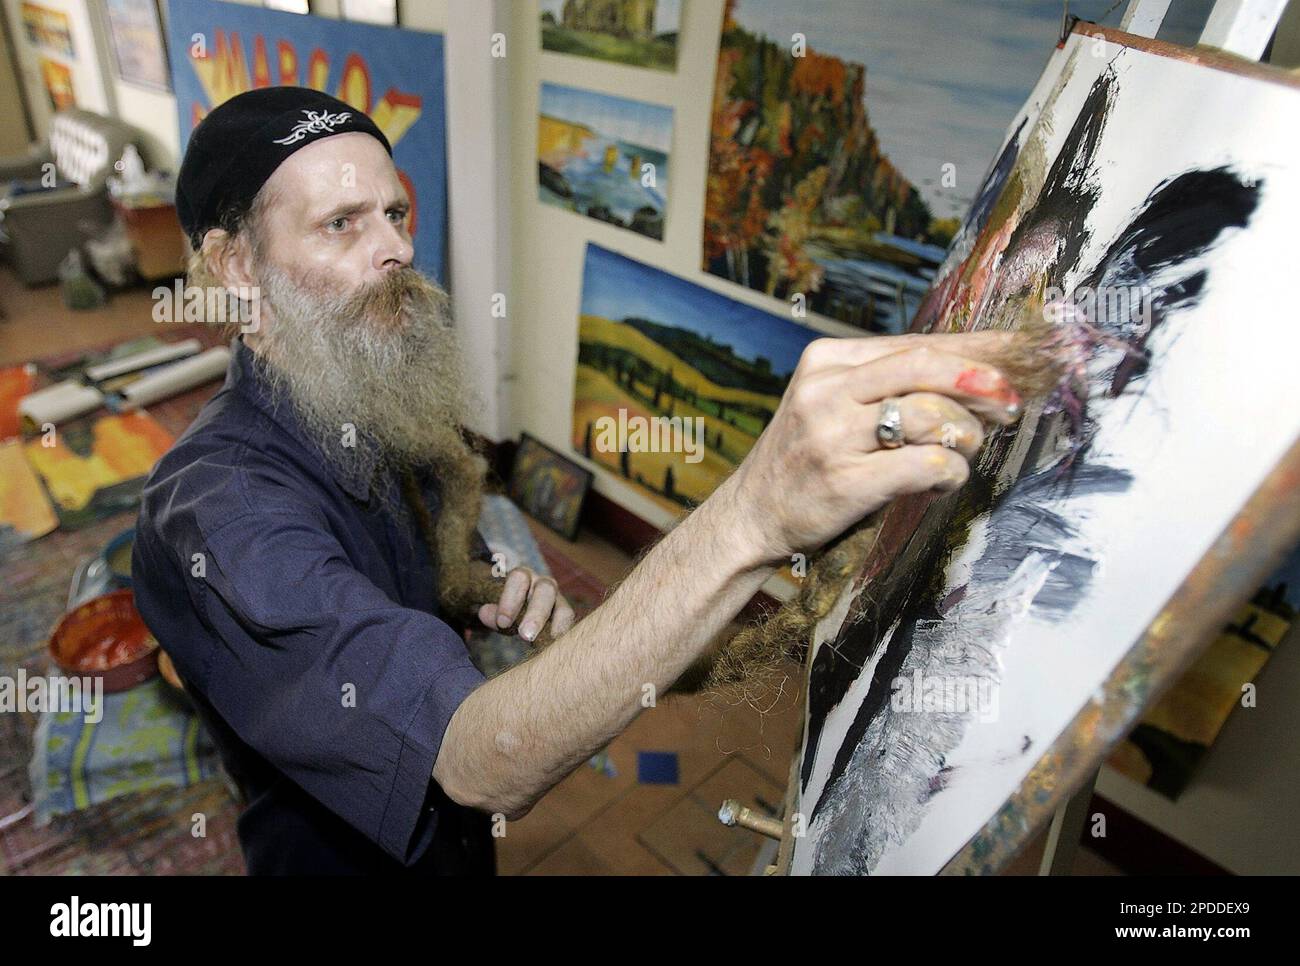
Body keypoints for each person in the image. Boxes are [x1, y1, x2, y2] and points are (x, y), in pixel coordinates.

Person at [132, 87, 1023, 875]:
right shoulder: (223, 511)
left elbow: (425, 542)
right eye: (342, 224)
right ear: (238, 268)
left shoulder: (358, 390)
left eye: (398, 214)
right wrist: (753, 517)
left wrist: (473, 581)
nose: (396, 248)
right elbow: (471, 763)